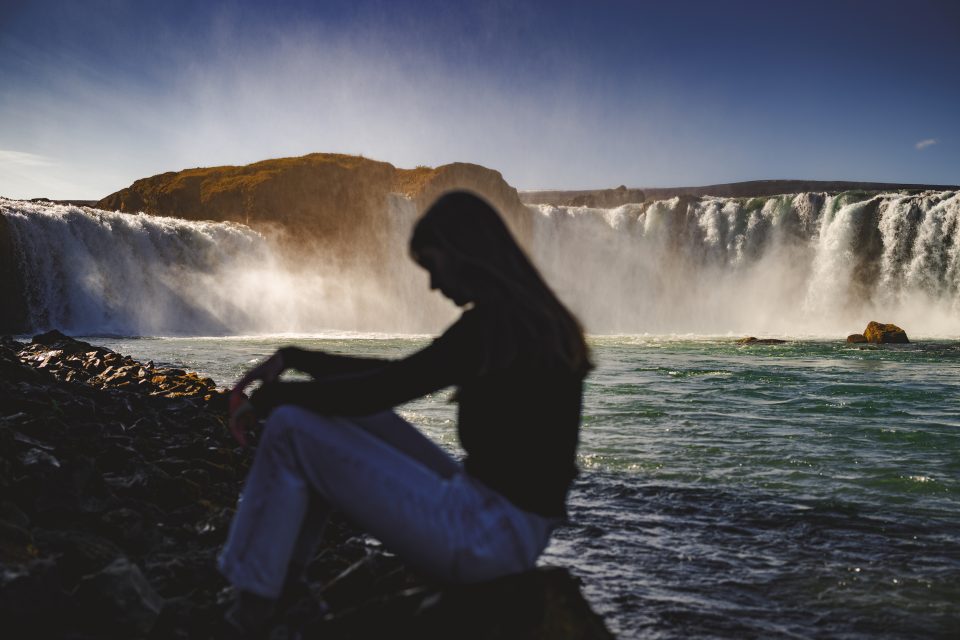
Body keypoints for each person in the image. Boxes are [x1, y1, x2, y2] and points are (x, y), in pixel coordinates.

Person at [218, 190, 592, 634]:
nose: (434, 285)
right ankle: (285, 588)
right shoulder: (525, 320)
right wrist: (297, 358)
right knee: (349, 418)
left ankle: (255, 604)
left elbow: (384, 388)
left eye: (433, 266)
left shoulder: (492, 325)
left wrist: (265, 401)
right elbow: (403, 375)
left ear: (463, 254)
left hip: (484, 537)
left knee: (289, 428)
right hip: (513, 530)